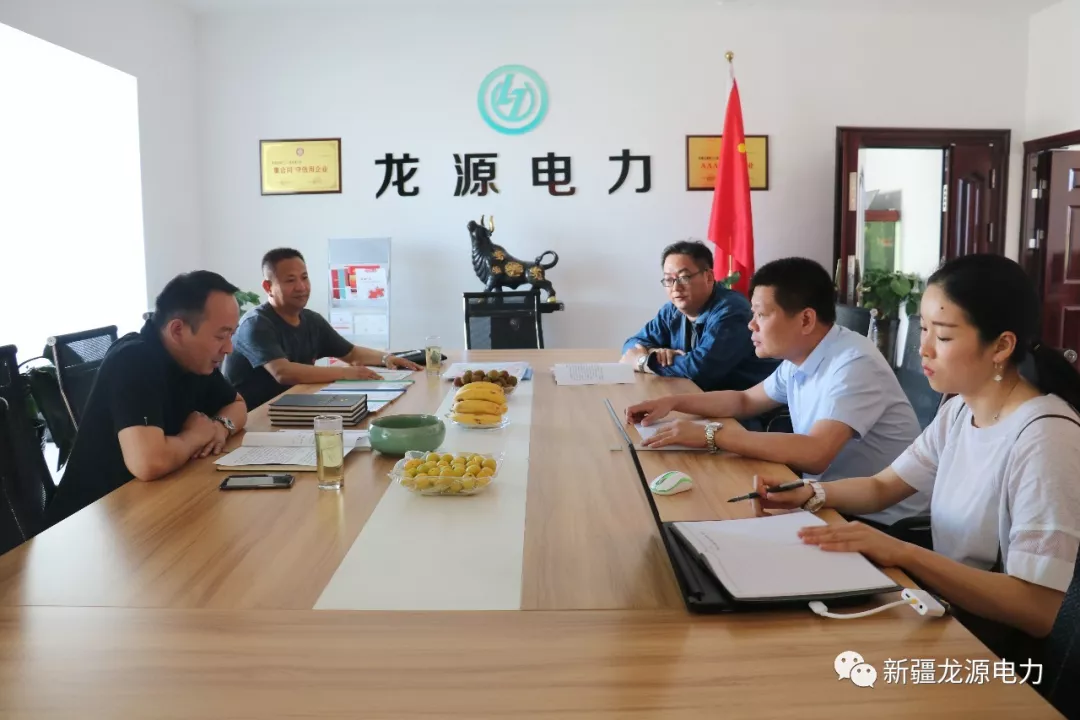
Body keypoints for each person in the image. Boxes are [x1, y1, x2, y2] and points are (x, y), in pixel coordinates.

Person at [754, 253, 1080, 650]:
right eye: (923, 329)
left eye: (942, 337)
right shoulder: (960, 410)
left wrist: (903, 553)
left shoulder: (1045, 438)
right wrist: (809, 493)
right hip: (946, 607)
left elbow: (1037, 609)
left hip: (992, 645)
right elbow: (882, 487)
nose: (923, 349)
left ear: (1001, 346)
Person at [626, 257, 927, 527]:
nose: (751, 325)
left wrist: (711, 435)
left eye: (761, 315)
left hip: (880, 520)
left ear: (806, 319)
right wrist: (673, 402)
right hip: (825, 498)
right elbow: (745, 400)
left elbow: (816, 453)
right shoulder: (803, 355)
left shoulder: (854, 364)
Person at [46, 271, 249, 526]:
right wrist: (194, 437)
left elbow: (237, 404)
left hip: (150, 504)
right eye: (221, 336)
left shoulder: (194, 359)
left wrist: (220, 427)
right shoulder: (134, 359)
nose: (228, 348)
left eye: (231, 335)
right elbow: (148, 462)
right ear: (178, 330)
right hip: (91, 522)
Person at [223, 248, 421, 410]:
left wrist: (387, 358)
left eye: (304, 277)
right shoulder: (256, 324)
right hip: (255, 417)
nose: (301, 287)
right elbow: (283, 372)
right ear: (268, 287)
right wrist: (345, 373)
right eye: (290, 280)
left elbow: (351, 354)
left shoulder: (311, 320)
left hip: (296, 406)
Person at [620, 240, 778, 392]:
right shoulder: (671, 311)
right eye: (669, 279)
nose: (676, 287)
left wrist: (643, 361)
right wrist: (656, 353)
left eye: (684, 277)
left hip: (747, 403)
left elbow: (700, 370)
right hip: (699, 396)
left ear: (708, 277)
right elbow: (631, 345)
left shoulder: (731, 311)